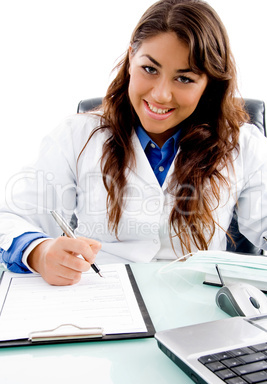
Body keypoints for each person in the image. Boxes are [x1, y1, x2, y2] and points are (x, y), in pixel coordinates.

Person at [0, 0, 267, 286]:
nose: (162, 94)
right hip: (104, 298)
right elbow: (12, 218)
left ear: (209, 84)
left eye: (185, 78)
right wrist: (40, 253)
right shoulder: (76, 135)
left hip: (200, 306)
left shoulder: (242, 144)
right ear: (131, 58)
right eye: (150, 69)